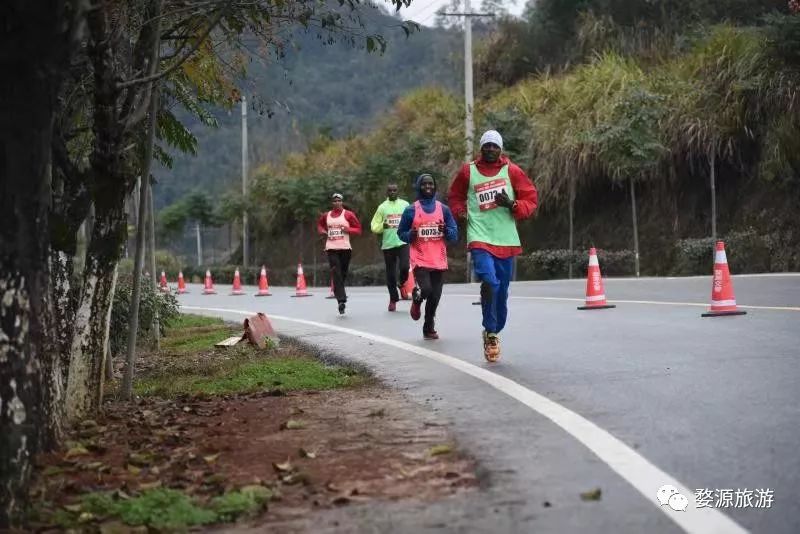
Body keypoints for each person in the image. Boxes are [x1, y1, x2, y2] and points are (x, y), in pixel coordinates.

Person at [448, 130, 538, 361]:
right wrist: (460, 212)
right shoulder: (468, 171)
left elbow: (530, 200)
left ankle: (495, 330)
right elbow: (455, 196)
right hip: (479, 236)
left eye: (494, 146)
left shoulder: (513, 171)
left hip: (506, 239)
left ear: (500, 149)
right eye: (486, 145)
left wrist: (512, 204)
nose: (490, 149)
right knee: (489, 281)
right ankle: (490, 332)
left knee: (502, 291)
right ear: (481, 148)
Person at [397, 174, 458, 340]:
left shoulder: (443, 209)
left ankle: (428, 326)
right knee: (426, 289)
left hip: (438, 258)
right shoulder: (411, 210)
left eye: (431, 184)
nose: (428, 187)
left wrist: (446, 231)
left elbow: (454, 234)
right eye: (424, 184)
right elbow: (401, 233)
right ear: (419, 187)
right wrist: (410, 234)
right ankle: (417, 301)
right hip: (420, 258)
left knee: (435, 296)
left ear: (435, 186)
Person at [317, 193, 362, 314]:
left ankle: (340, 295)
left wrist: (348, 230)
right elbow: (320, 225)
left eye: (339, 201)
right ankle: (341, 301)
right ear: (332, 203)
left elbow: (358, 229)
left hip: (345, 248)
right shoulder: (326, 215)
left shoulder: (348, 214)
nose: (337, 203)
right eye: (335, 201)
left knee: (342, 274)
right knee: (336, 273)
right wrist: (322, 231)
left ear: (342, 202)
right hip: (331, 248)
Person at [370, 183, 411, 311]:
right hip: (388, 244)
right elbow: (374, 226)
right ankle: (393, 299)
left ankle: (402, 282)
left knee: (405, 266)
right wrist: (383, 226)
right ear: (387, 193)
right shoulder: (382, 207)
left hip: (403, 241)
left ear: (398, 192)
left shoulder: (405, 204)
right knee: (390, 274)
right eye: (390, 191)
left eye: (394, 190)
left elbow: (412, 219)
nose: (392, 192)